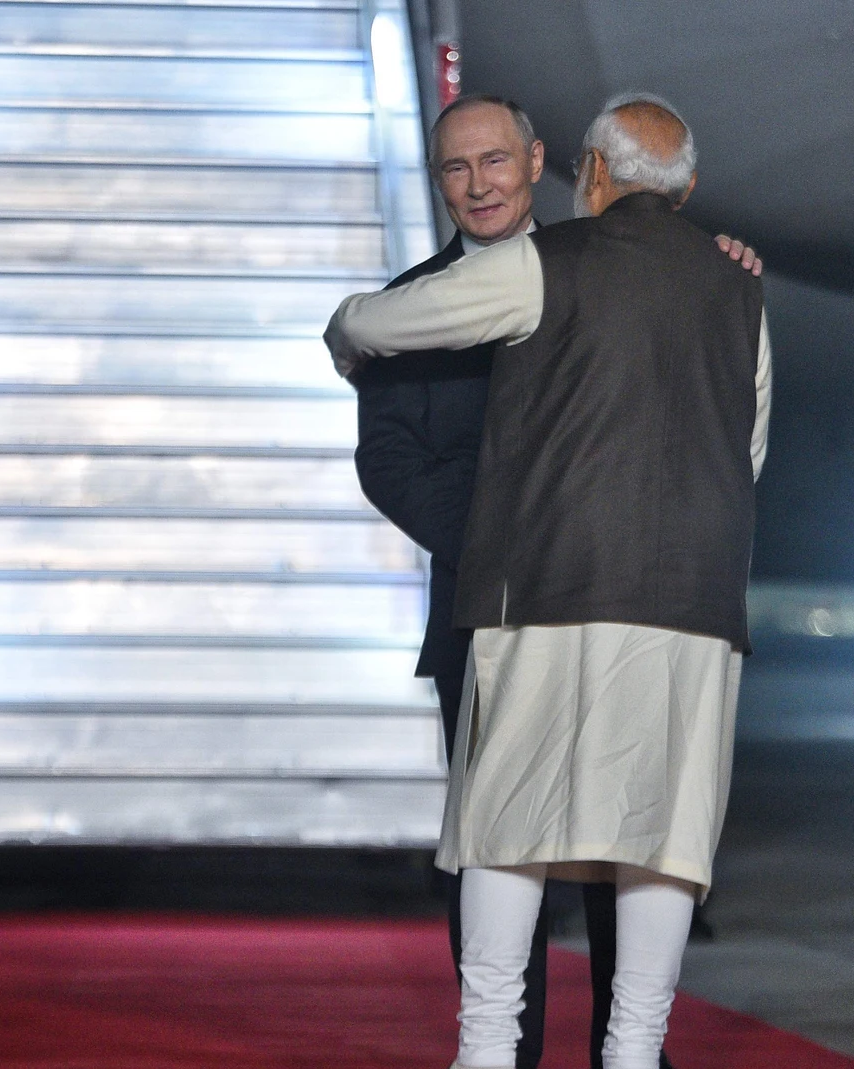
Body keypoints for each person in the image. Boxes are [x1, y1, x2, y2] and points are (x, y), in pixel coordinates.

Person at [329, 92, 769, 1069]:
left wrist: (346, 328)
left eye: (493, 161)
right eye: (455, 167)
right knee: (618, 835)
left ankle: (543, 1052)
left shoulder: (552, 268)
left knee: (533, 836)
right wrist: (500, 539)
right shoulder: (719, 283)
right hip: (560, 601)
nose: (477, 182)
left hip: (545, 608)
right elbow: (746, 449)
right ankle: (552, 1052)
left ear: (554, 167)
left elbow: (361, 326)